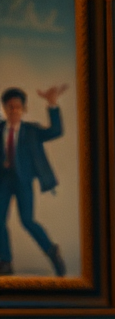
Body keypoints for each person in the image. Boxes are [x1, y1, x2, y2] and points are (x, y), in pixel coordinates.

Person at [0, 85, 67, 277]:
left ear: (24, 110)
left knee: (27, 220)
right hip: (3, 182)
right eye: (10, 106)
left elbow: (56, 131)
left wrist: (52, 104)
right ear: (4, 108)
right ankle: (5, 262)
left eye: (17, 107)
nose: (13, 110)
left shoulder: (31, 131)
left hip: (23, 181)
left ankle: (52, 251)